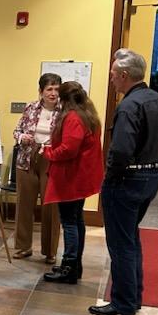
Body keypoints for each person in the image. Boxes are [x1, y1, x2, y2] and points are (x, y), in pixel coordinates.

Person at [90, 49, 158, 315]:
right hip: (151, 178)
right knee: (131, 239)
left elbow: (121, 150)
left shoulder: (129, 106)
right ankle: (133, 296)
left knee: (121, 244)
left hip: (126, 180)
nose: (112, 80)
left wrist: (111, 177)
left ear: (125, 75)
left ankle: (124, 303)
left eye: (114, 75)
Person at [41, 82, 104, 284]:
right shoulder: (88, 114)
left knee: (69, 222)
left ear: (65, 99)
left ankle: (69, 267)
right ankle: (75, 265)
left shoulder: (73, 118)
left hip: (71, 178)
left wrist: (48, 152)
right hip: (82, 177)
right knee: (77, 220)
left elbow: (69, 149)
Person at [10, 73, 61, 263]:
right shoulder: (31, 108)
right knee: (24, 204)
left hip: (51, 161)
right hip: (27, 159)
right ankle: (23, 247)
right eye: (49, 89)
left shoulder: (64, 111)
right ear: (41, 91)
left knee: (50, 207)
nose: (53, 93)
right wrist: (21, 137)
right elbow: (17, 131)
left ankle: (50, 251)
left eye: (56, 89)